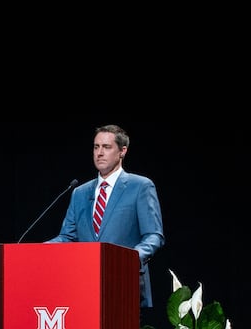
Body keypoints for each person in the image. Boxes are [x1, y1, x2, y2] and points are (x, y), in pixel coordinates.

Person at [46, 124, 164, 307]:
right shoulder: (79, 192)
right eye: (96, 147)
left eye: (106, 147)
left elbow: (154, 236)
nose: (99, 153)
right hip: (84, 287)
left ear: (122, 151)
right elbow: (68, 236)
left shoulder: (140, 186)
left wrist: (130, 258)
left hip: (124, 285)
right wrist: (41, 249)